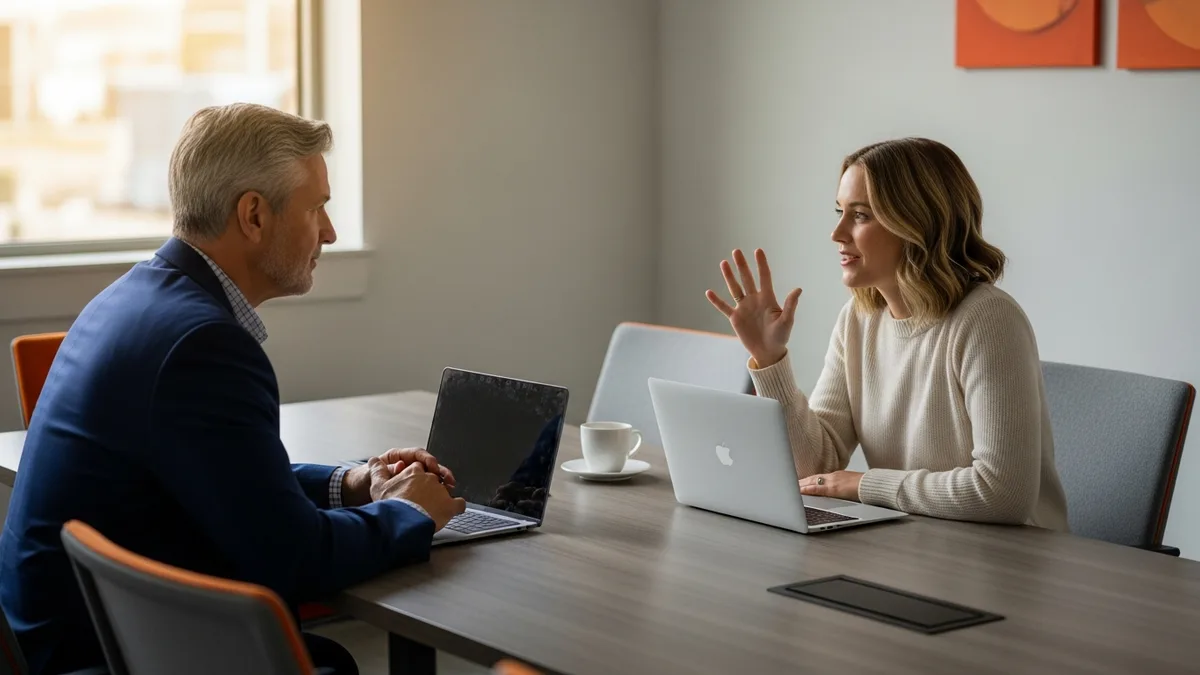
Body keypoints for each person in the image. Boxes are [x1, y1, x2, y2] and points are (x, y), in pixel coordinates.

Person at [0, 103, 467, 675]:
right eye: (316, 207)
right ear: (253, 216)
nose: (330, 231)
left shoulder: (133, 297)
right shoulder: (202, 344)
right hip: (101, 657)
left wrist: (354, 484)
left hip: (66, 639)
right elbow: (293, 559)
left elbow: (229, 480)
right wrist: (410, 513)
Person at [706, 137, 1068, 531]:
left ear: (917, 223)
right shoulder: (858, 320)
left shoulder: (988, 320)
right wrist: (770, 358)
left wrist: (863, 485)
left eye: (860, 215)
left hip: (1011, 555)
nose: (837, 233)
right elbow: (816, 469)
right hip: (920, 539)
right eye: (840, 211)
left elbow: (1003, 494)